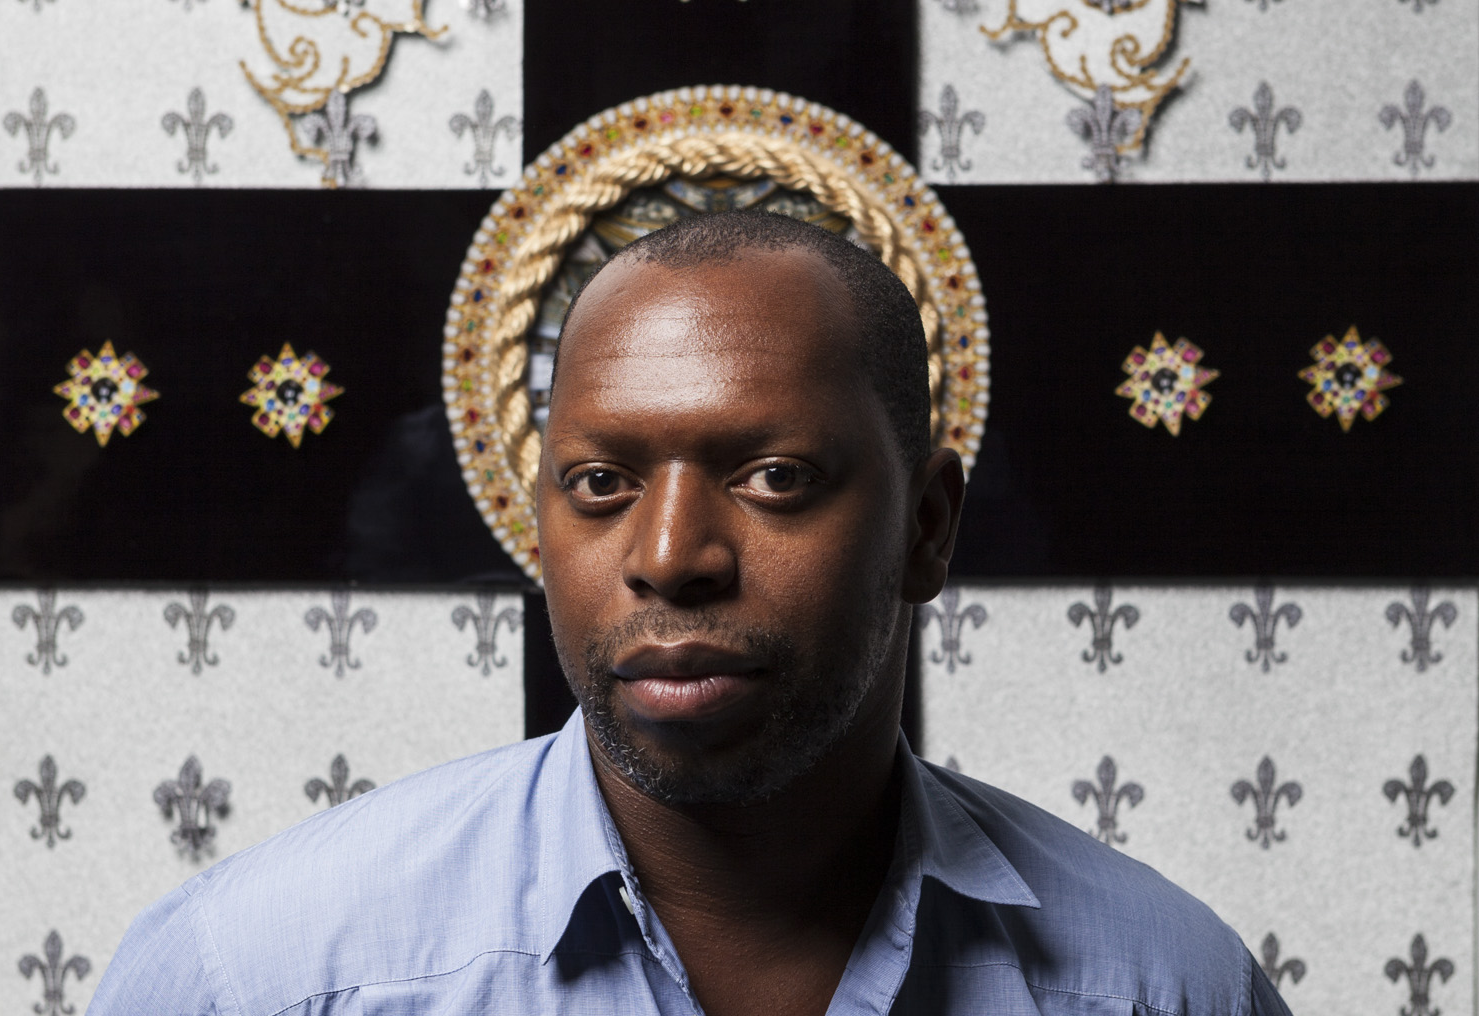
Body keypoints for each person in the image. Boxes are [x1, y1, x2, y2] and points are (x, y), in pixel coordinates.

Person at [89, 211, 1293, 1015]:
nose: (669, 557)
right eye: (600, 484)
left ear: (927, 527)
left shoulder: (1167, 984)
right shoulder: (254, 975)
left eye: (773, 477)